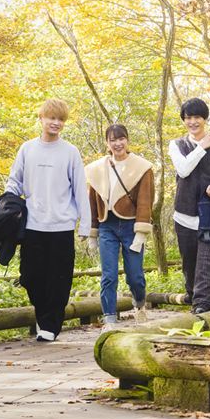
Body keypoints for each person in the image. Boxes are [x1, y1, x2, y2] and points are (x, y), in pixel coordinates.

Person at [4, 98, 91, 342]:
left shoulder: (70, 152)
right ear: (41, 119)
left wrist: (85, 225)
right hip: (33, 224)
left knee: (59, 279)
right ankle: (44, 318)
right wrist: (8, 206)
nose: (56, 123)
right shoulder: (27, 149)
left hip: (62, 225)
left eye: (60, 119)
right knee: (30, 276)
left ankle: (50, 326)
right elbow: (14, 182)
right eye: (51, 118)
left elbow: (80, 191)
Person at [168, 97, 210, 315]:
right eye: (188, 118)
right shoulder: (177, 145)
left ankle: (202, 306)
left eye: (197, 117)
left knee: (206, 264)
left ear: (205, 119)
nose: (192, 122)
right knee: (190, 264)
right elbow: (183, 170)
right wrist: (201, 147)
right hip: (184, 215)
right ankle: (193, 295)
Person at [85, 124, 154, 328]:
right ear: (107, 143)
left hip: (132, 225)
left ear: (127, 140)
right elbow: (92, 200)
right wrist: (92, 232)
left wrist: (141, 233)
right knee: (109, 275)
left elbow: (145, 200)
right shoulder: (97, 169)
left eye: (121, 138)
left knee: (135, 276)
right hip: (108, 225)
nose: (117, 143)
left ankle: (139, 303)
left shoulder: (142, 167)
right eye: (113, 140)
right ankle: (109, 318)